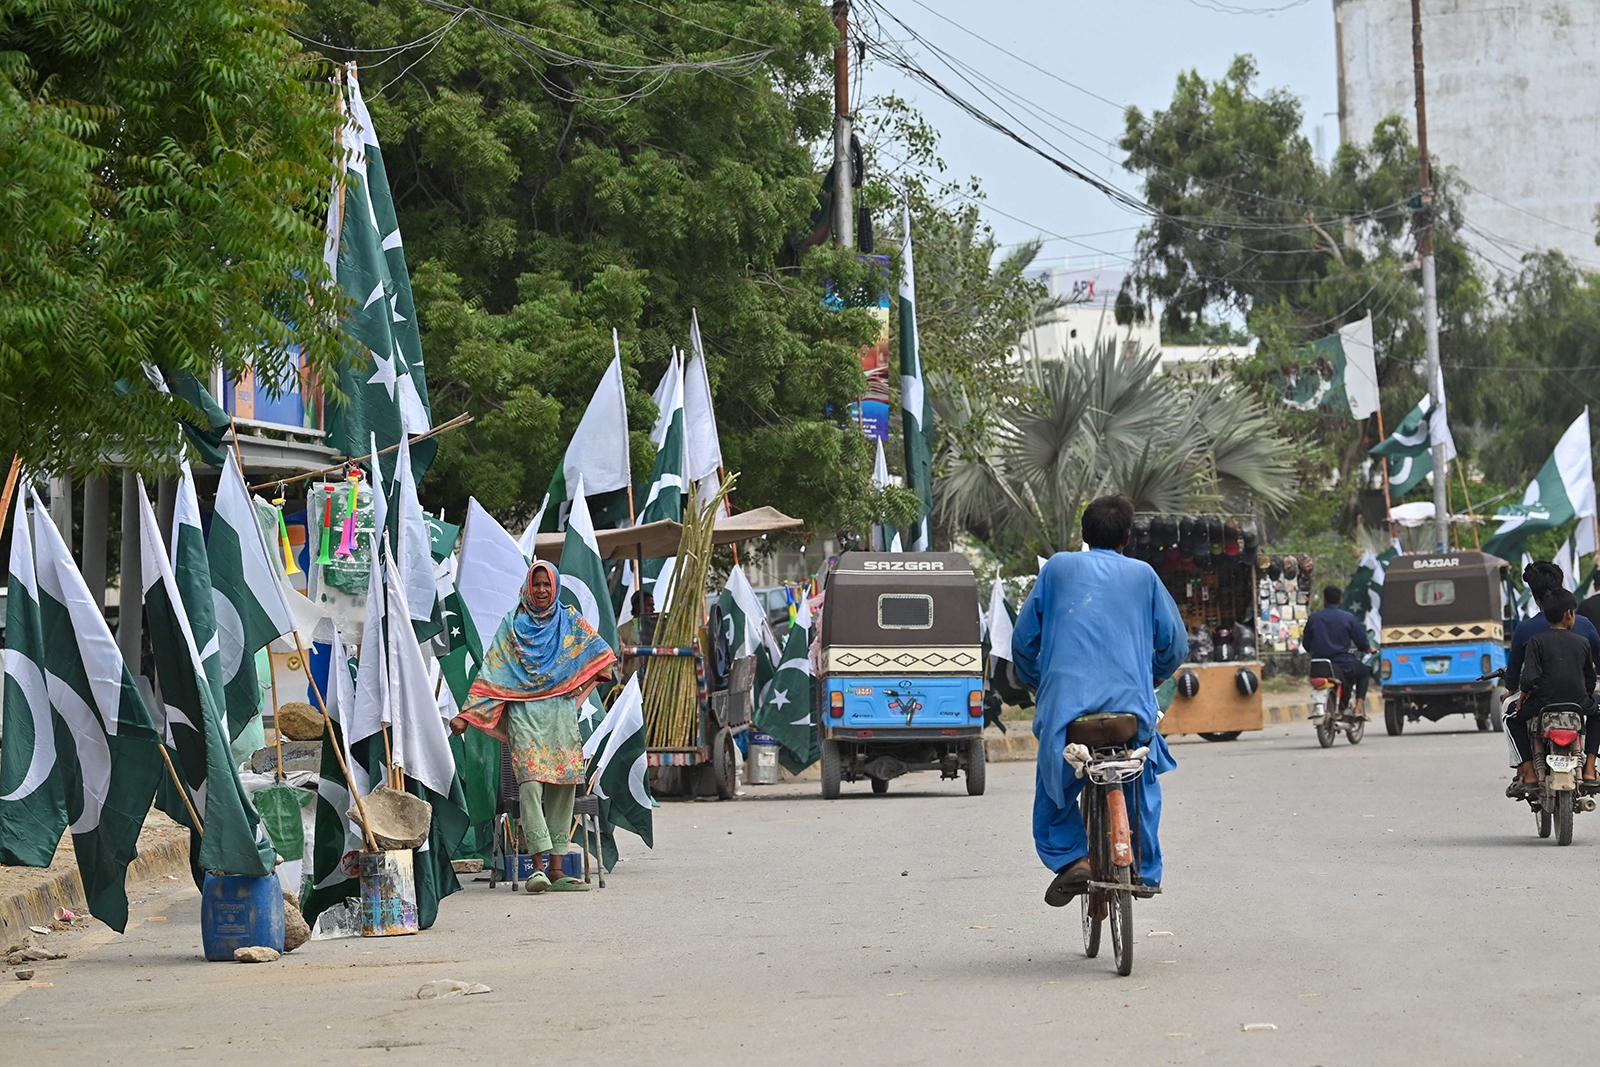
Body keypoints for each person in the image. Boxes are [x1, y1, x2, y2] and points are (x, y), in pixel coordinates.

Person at [1012, 494, 1187, 906]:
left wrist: (1042, 682)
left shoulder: (1057, 568)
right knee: (1140, 774)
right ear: (1127, 537)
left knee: (1054, 780)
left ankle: (1072, 858)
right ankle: (1142, 868)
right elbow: (1174, 644)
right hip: (1131, 709)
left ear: (1084, 536)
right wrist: (1152, 676)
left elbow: (1023, 643)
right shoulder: (1143, 575)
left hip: (1067, 709)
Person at [452, 560, 616, 892]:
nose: (541, 590)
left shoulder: (568, 620)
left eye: (547, 585)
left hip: (561, 717)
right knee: (530, 785)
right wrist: (467, 715)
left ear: (554, 587)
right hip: (524, 715)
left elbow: (604, 658)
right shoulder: (512, 625)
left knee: (563, 786)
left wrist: (578, 694)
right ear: (528, 586)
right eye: (536, 584)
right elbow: (491, 674)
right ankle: (537, 868)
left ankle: (557, 871)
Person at [1507, 588, 1600, 796]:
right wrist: (1584, 696)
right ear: (1569, 614)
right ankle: (1590, 769)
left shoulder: (1536, 641)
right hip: (1578, 704)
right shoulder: (1583, 642)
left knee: (1512, 718)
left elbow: (1529, 678)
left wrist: (1523, 694)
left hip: (1542, 705)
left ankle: (1529, 773)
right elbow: (1590, 679)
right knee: (1598, 715)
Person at [1505, 561, 1600, 694]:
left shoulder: (1525, 630)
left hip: (1539, 700)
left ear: (1535, 597)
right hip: (1580, 698)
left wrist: (1513, 689)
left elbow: (1514, 674)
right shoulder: (1584, 625)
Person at [1302, 585, 1373, 718]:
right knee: (1363, 672)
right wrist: (1368, 648)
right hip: (1342, 664)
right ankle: (1358, 709)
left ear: (1324, 600)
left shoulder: (1314, 618)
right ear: (1340, 600)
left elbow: (1306, 644)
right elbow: (1361, 642)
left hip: (1318, 666)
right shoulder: (1348, 618)